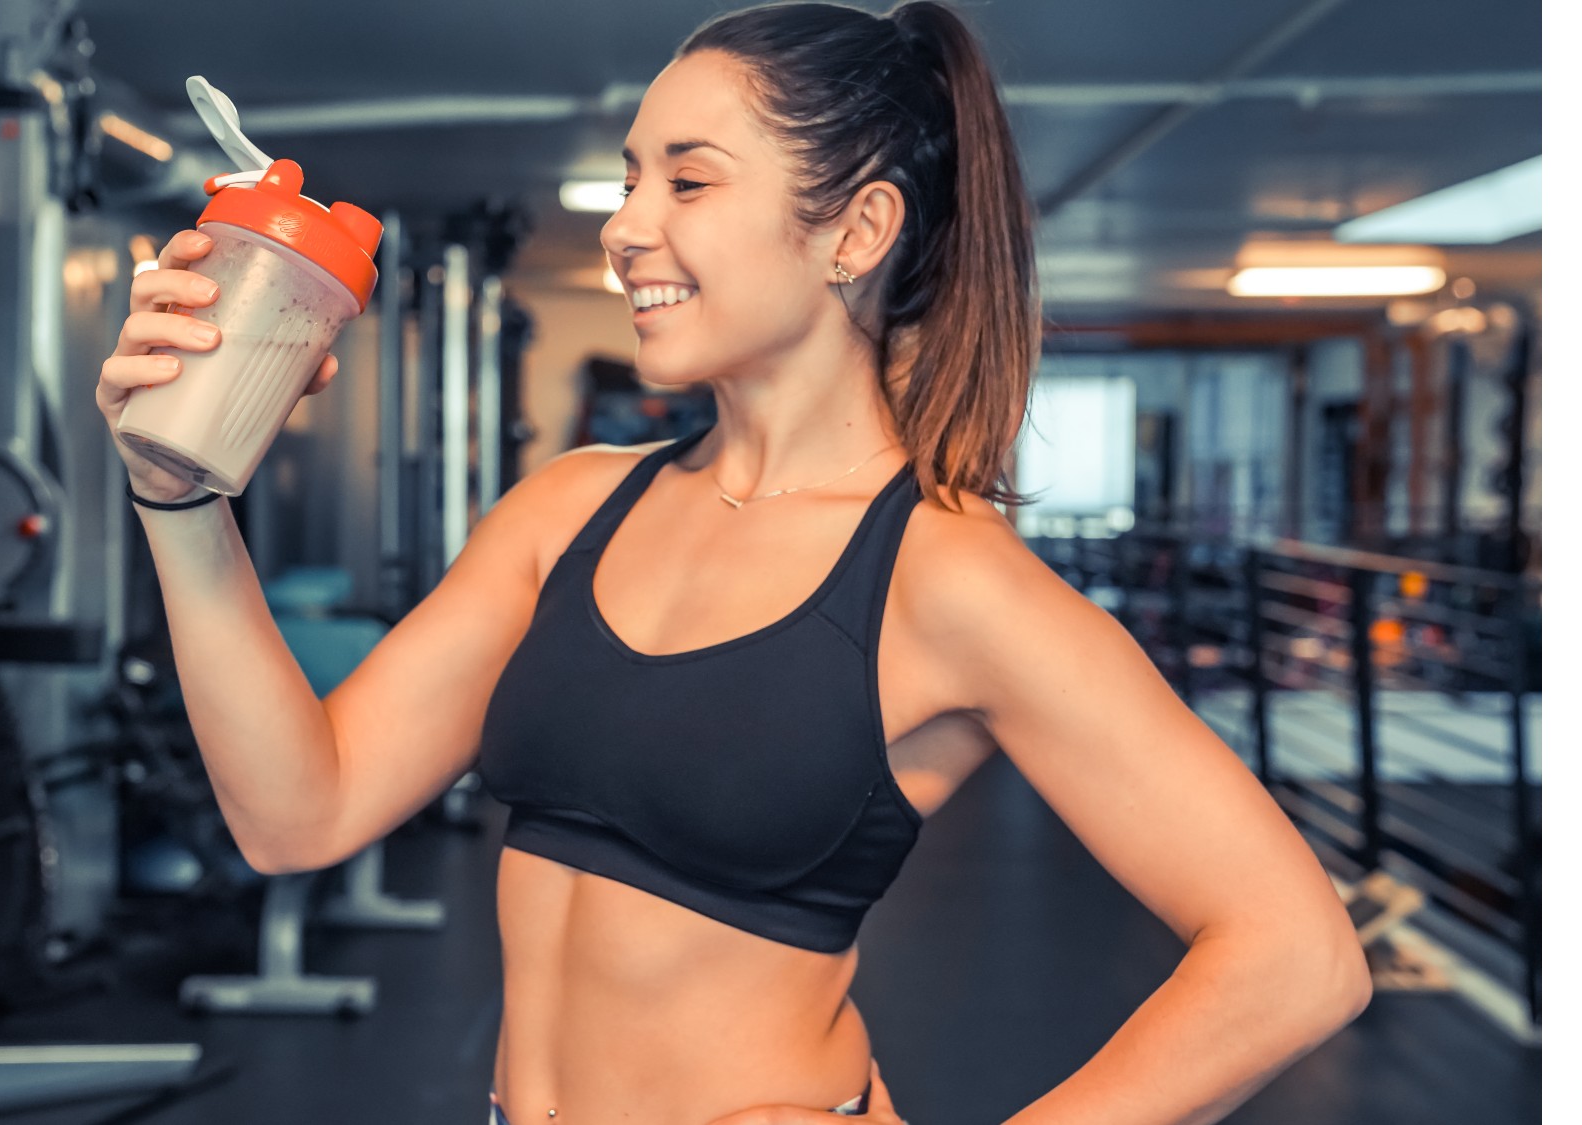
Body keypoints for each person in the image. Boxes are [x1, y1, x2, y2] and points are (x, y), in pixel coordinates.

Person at [95, 3, 1372, 1122]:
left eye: (687, 183)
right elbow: (295, 812)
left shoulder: (946, 580)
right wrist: (179, 499)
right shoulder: (567, 511)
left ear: (856, 228)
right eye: (628, 177)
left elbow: (1295, 957)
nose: (625, 227)